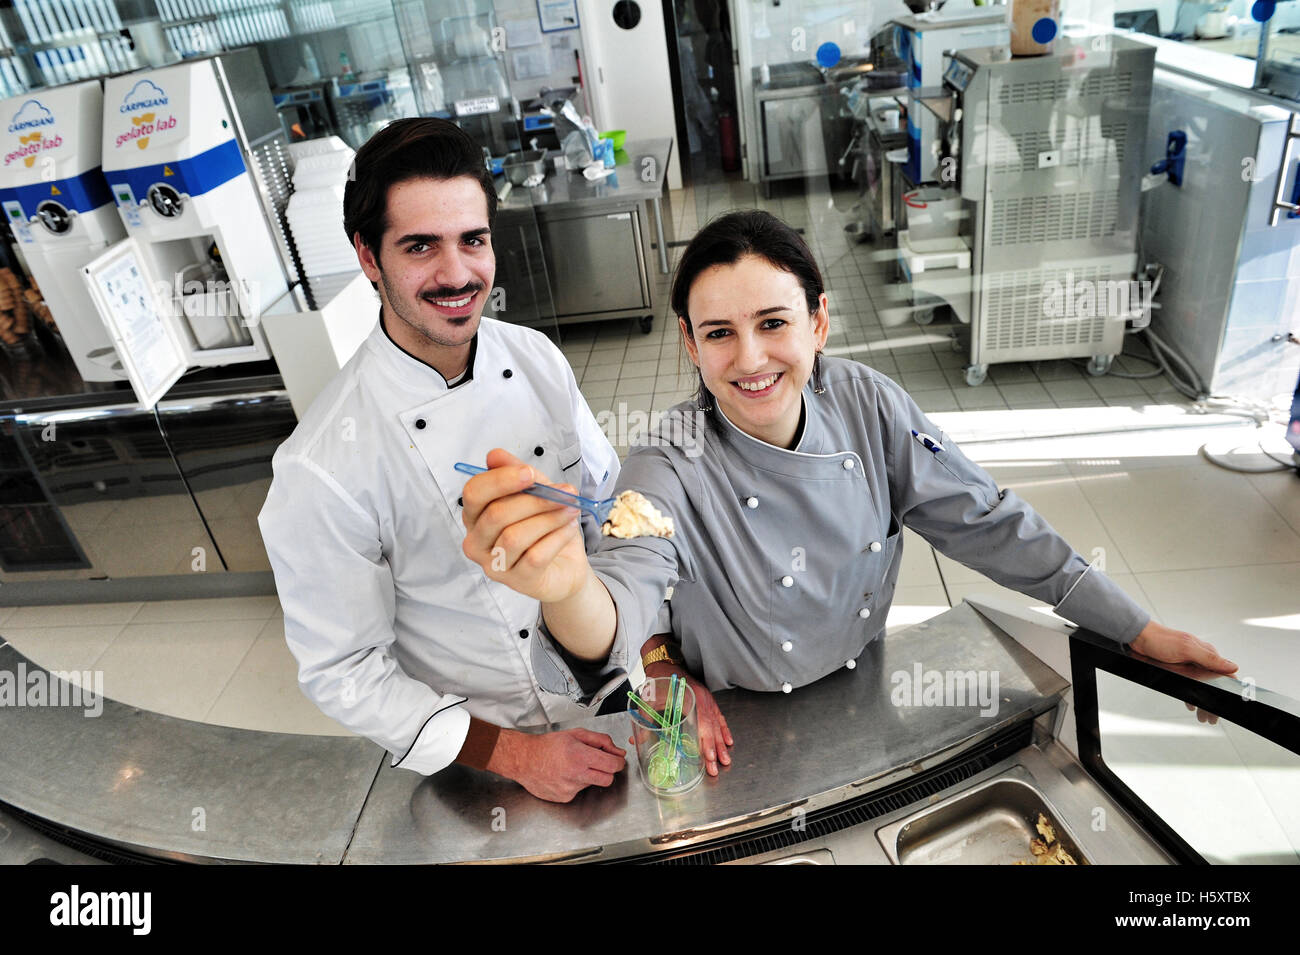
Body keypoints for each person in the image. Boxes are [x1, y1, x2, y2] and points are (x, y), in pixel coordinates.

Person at [461, 209, 1239, 780]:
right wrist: (567, 587)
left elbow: (992, 524)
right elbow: (620, 603)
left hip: (864, 686)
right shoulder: (667, 458)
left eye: (774, 322)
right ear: (691, 345)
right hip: (738, 717)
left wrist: (1133, 628)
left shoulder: (868, 406)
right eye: (720, 333)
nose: (752, 357)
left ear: (820, 322)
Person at [258, 118, 632, 803]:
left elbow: (610, 513)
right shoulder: (322, 465)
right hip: (489, 745)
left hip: (614, 685)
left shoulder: (536, 358)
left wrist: (655, 653)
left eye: (473, 240)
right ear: (369, 257)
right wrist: (518, 755)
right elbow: (344, 670)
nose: (457, 273)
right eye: (421, 246)